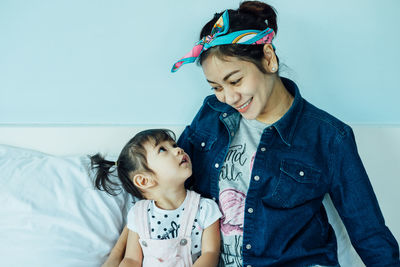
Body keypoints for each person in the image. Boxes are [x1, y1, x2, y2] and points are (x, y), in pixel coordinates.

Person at [104, 1, 400, 266]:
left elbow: (369, 232)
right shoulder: (212, 114)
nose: (229, 97)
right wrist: (115, 259)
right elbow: (164, 195)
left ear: (268, 58)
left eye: (235, 80)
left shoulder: (329, 137)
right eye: (217, 87)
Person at [90, 129, 221, 267]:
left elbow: (211, 254)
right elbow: (132, 259)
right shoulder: (138, 214)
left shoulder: (205, 208)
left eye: (174, 145)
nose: (179, 150)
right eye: (163, 150)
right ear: (144, 181)